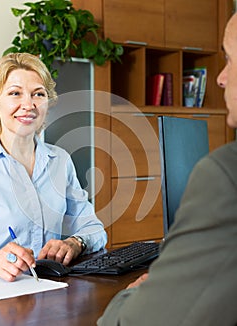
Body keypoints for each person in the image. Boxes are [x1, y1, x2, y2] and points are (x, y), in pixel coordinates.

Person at [97, 13, 237, 326]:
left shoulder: (227, 175)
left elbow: (131, 322)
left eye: (229, 59)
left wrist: (132, 294)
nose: (220, 77)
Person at [0, 53, 107, 281]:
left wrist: (75, 243)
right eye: (15, 93)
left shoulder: (61, 160)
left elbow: (94, 228)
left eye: (38, 94)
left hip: (53, 287)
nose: (28, 105)